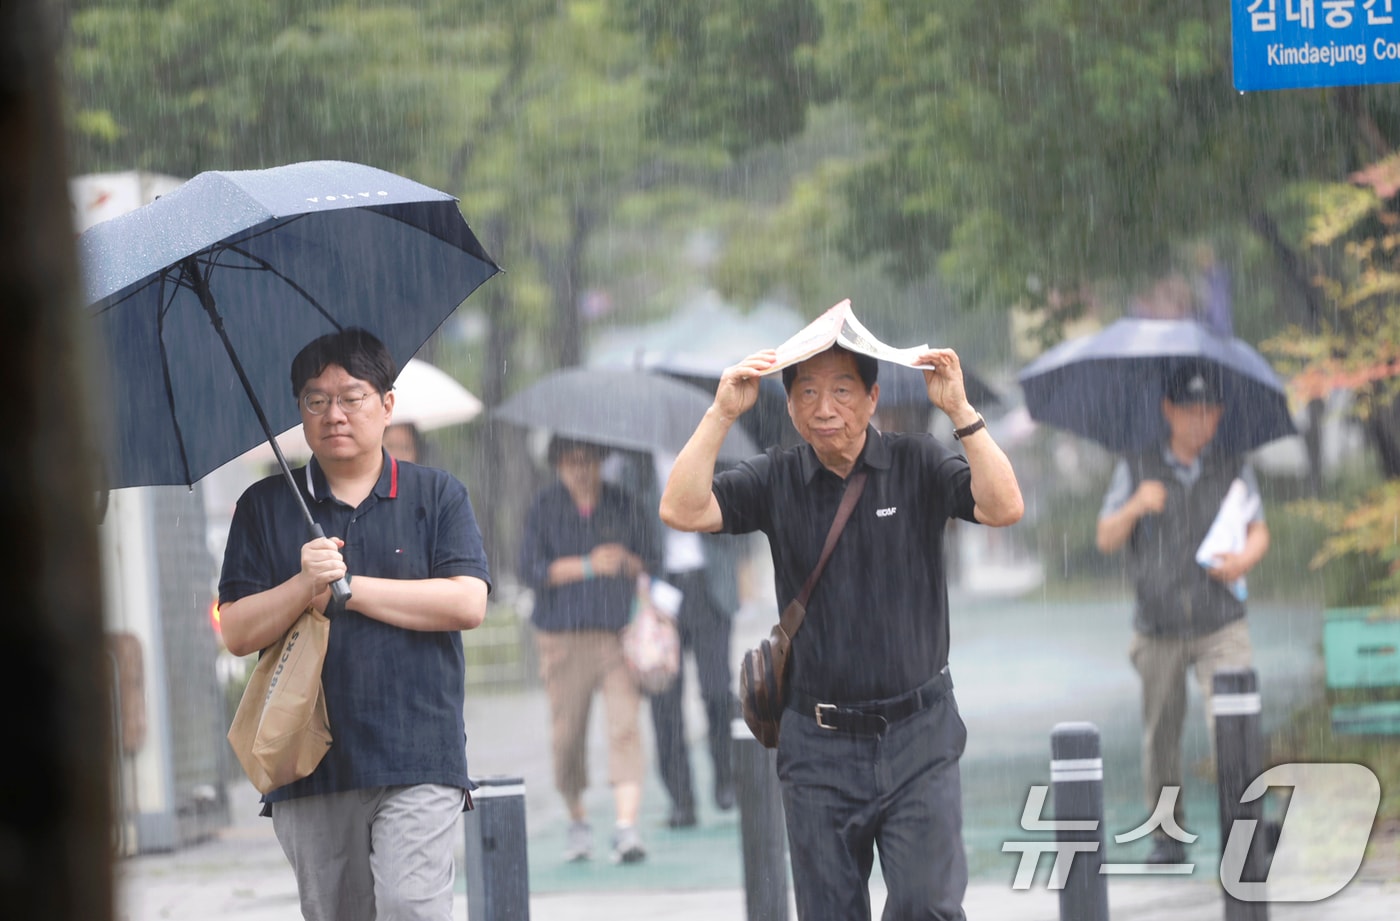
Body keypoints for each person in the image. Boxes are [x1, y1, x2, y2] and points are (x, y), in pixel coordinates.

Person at [660, 342, 1024, 920]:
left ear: (872, 397)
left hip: (919, 735)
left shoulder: (918, 462)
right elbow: (682, 509)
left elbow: (1004, 507)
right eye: (807, 392)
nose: (824, 407)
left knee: (927, 905)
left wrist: (959, 410)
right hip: (817, 743)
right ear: (790, 407)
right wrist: (721, 412)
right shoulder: (776, 476)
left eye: (841, 391)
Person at [217, 327, 491, 921]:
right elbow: (237, 631)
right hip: (310, 762)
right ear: (299, 410)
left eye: (352, 396)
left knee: (411, 909)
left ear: (387, 404)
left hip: (419, 752)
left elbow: (467, 602)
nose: (333, 414)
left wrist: (352, 590)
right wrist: (301, 587)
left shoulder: (436, 495)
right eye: (316, 400)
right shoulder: (265, 507)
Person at [1095, 361, 1270, 865]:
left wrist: (1243, 559)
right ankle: (1168, 836)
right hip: (1159, 625)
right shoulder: (1136, 466)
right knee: (1161, 734)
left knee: (1235, 724)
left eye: (1210, 410)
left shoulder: (1233, 466)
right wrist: (1134, 507)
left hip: (1222, 621)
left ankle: (1246, 831)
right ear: (1169, 411)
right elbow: (1106, 538)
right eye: (1190, 410)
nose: (1201, 420)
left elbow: (1259, 529)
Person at [518, 436, 662, 864]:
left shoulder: (625, 502)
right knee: (567, 736)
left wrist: (625, 560)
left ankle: (625, 827)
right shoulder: (544, 507)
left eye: (588, 460)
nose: (580, 469)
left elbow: (653, 560)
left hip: (619, 636)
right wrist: (586, 564)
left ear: (601, 461)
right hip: (562, 638)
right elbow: (529, 570)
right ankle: (577, 818)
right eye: (570, 461)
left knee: (625, 728)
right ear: (558, 465)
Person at [646, 451, 738, 828]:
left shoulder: (710, 453)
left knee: (718, 690)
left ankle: (727, 778)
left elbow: (735, 511)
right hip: (660, 589)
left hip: (709, 584)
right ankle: (681, 799)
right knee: (664, 699)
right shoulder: (635, 465)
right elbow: (630, 524)